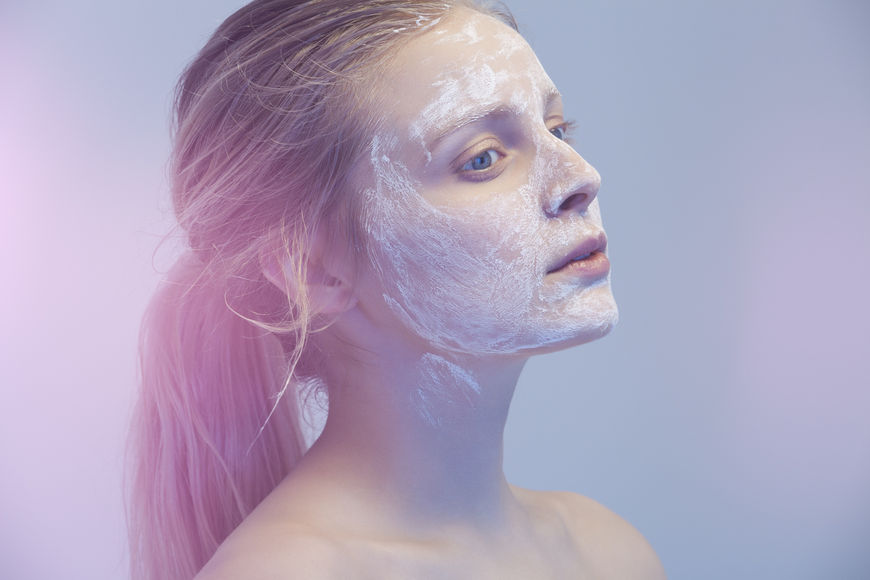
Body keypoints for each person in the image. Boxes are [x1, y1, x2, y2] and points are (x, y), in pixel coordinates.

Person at [127, 0, 667, 578]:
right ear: (314, 271)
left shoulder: (610, 552)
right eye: (482, 157)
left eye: (557, 129)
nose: (581, 177)